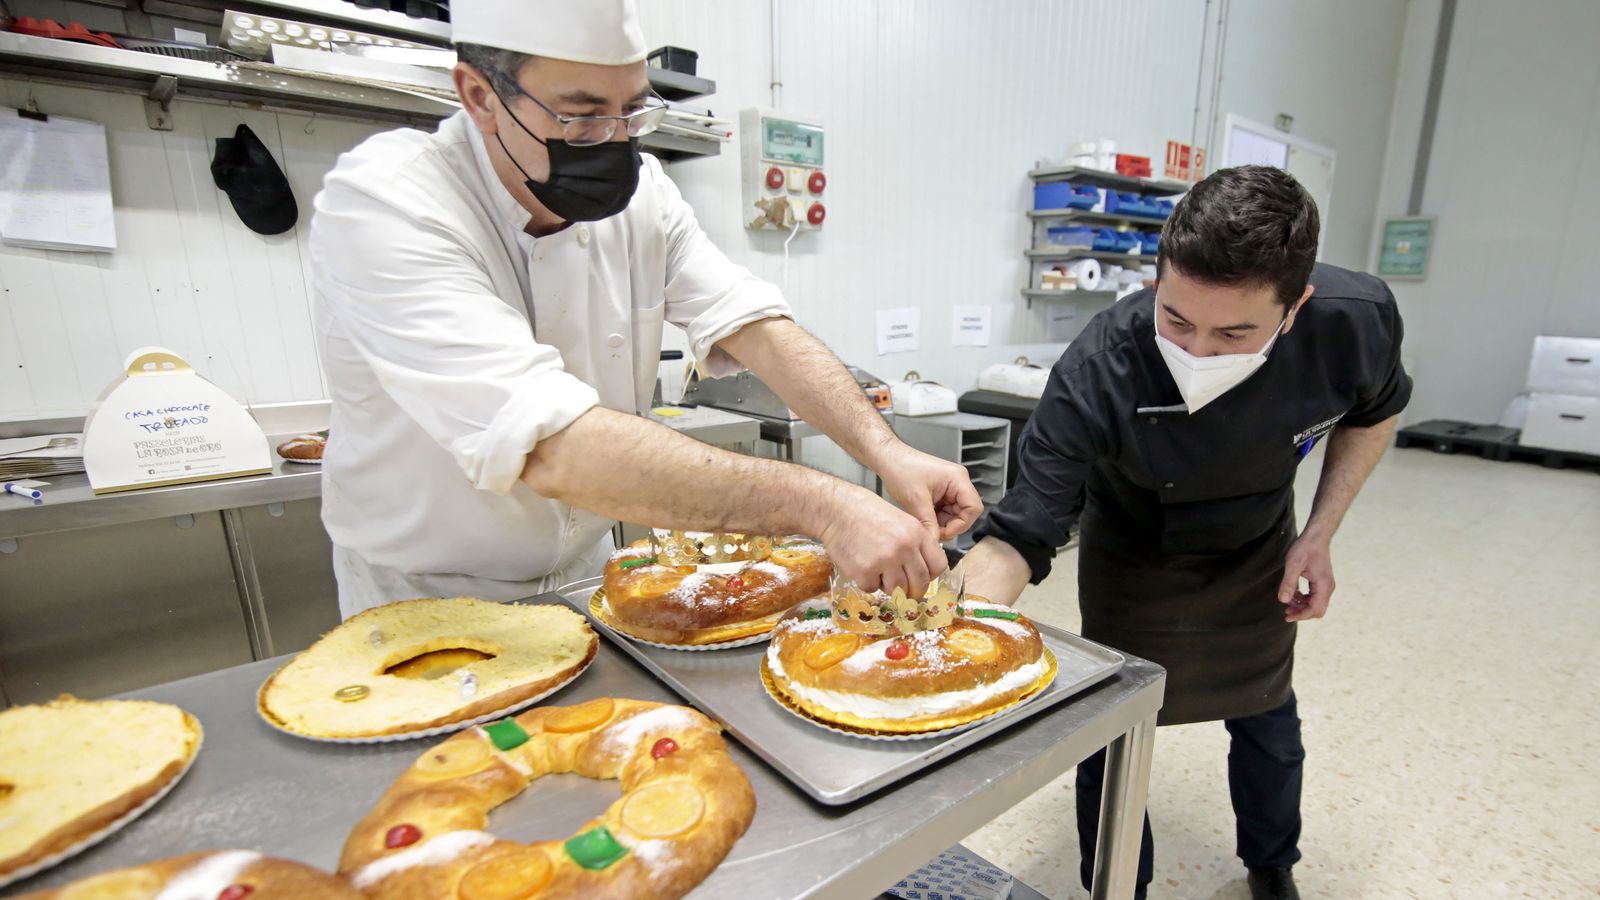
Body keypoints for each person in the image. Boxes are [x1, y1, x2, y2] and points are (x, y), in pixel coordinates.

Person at [309, 0, 981, 617]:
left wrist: (886, 452)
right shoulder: (389, 202)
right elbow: (550, 446)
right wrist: (828, 504)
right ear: (480, 96)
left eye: (632, 111)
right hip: (427, 599)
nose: (615, 141)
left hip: (582, 576)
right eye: (581, 115)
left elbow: (755, 326)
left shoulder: (645, 197)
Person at [962, 166, 1411, 900]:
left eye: (1234, 332)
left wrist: (1320, 533)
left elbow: (1375, 411)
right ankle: (1117, 885)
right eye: (1176, 320)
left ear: (1296, 305)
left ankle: (1273, 864)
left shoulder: (1355, 320)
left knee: (1266, 710)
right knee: (1115, 725)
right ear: (1156, 279)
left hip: (1258, 538)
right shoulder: (1101, 366)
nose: (1199, 352)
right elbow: (1022, 532)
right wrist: (948, 638)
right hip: (1137, 546)